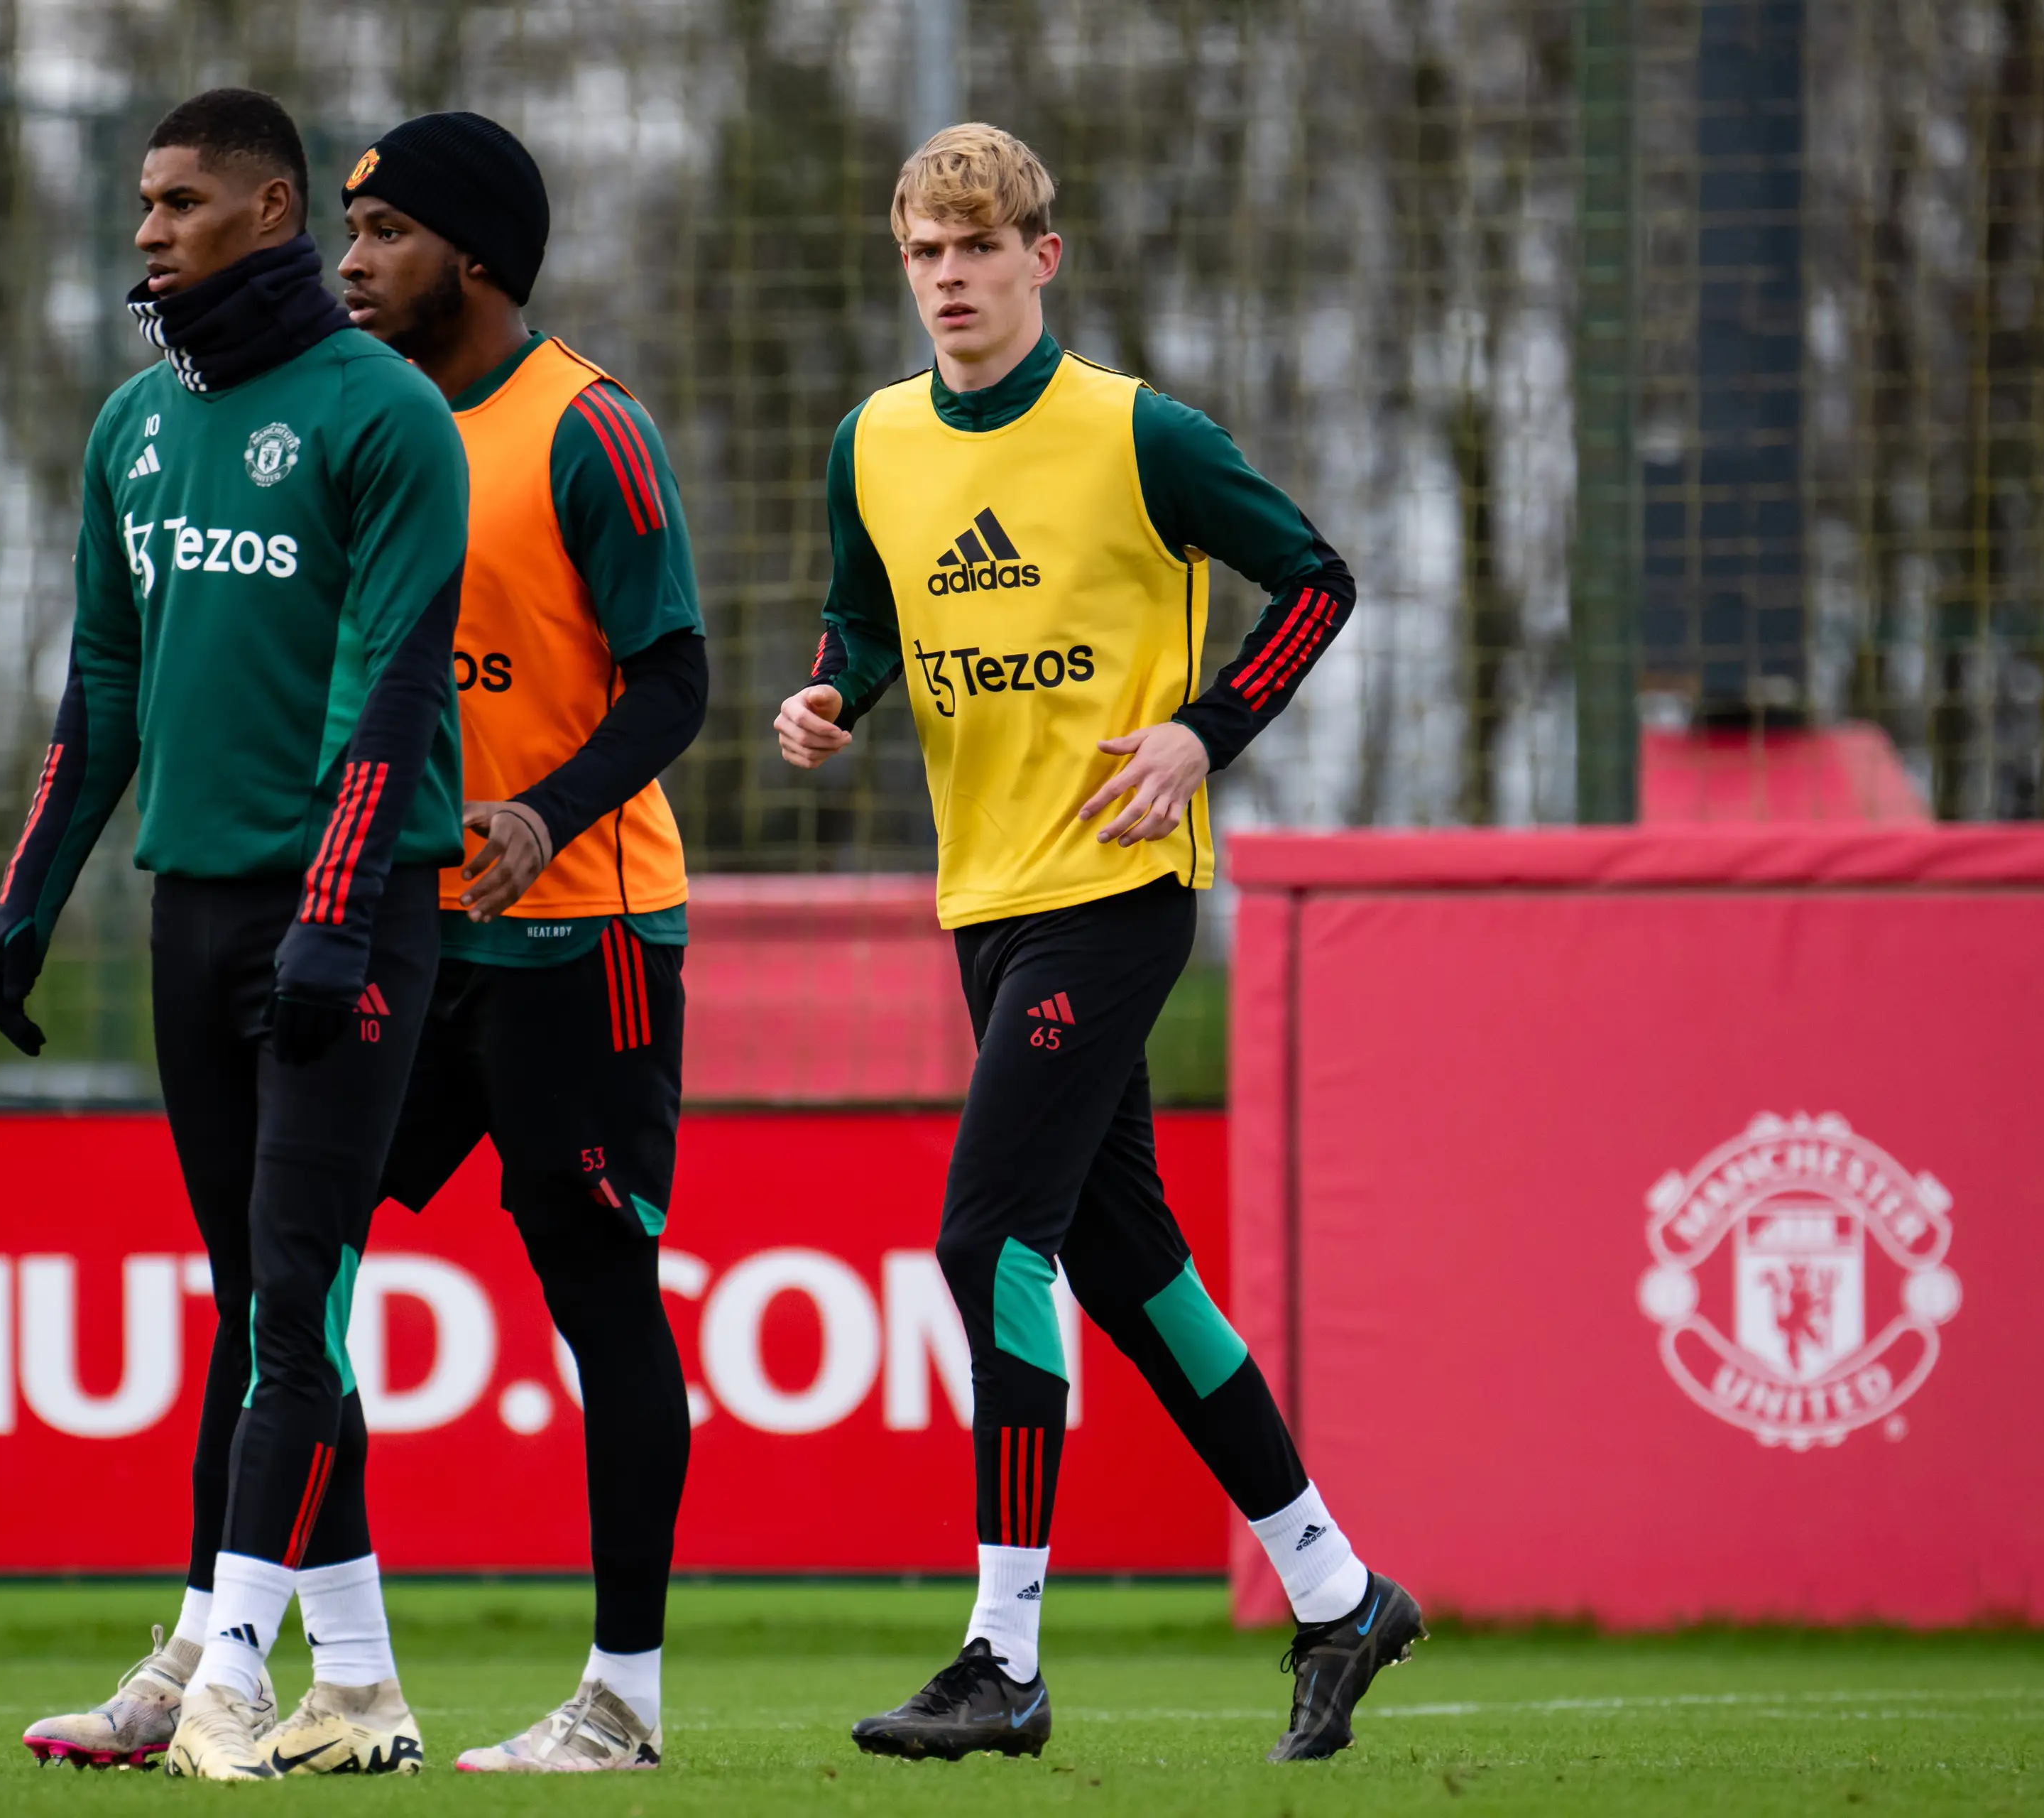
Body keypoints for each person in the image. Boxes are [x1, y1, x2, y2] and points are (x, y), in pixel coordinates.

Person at [775, 123, 1419, 1765]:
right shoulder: (872, 442)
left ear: (1040, 260)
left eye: (979, 248)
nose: (950, 278)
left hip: (1118, 895)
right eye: (926, 252)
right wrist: (835, 691)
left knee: (988, 1236)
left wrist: (1206, 731)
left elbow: (1319, 583)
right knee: (1133, 1268)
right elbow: (867, 614)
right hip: (983, 904)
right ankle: (1340, 1591)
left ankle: (1004, 1652)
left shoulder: (1143, 433)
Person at [0, 87, 465, 1780]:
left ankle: (221, 1669)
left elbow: (392, 688)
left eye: (180, 200)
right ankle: (360, 1682)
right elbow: (103, 681)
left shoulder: (388, 413)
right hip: (190, 911)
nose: (147, 229)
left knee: (294, 1293)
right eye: (142, 200)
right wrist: (30, 895)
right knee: (258, 1305)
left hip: (352, 910)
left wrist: (334, 910)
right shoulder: (130, 424)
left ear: (270, 210)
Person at [333, 114, 706, 1773]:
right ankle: (305, 1665)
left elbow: (678, 677)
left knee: (602, 1296)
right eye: (349, 229)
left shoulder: (587, 426)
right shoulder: (362, 423)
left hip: (585, 936)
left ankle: (622, 1699)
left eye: (386, 232)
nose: (350, 262)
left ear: (475, 257)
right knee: (289, 1259)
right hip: (409, 935)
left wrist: (547, 813)